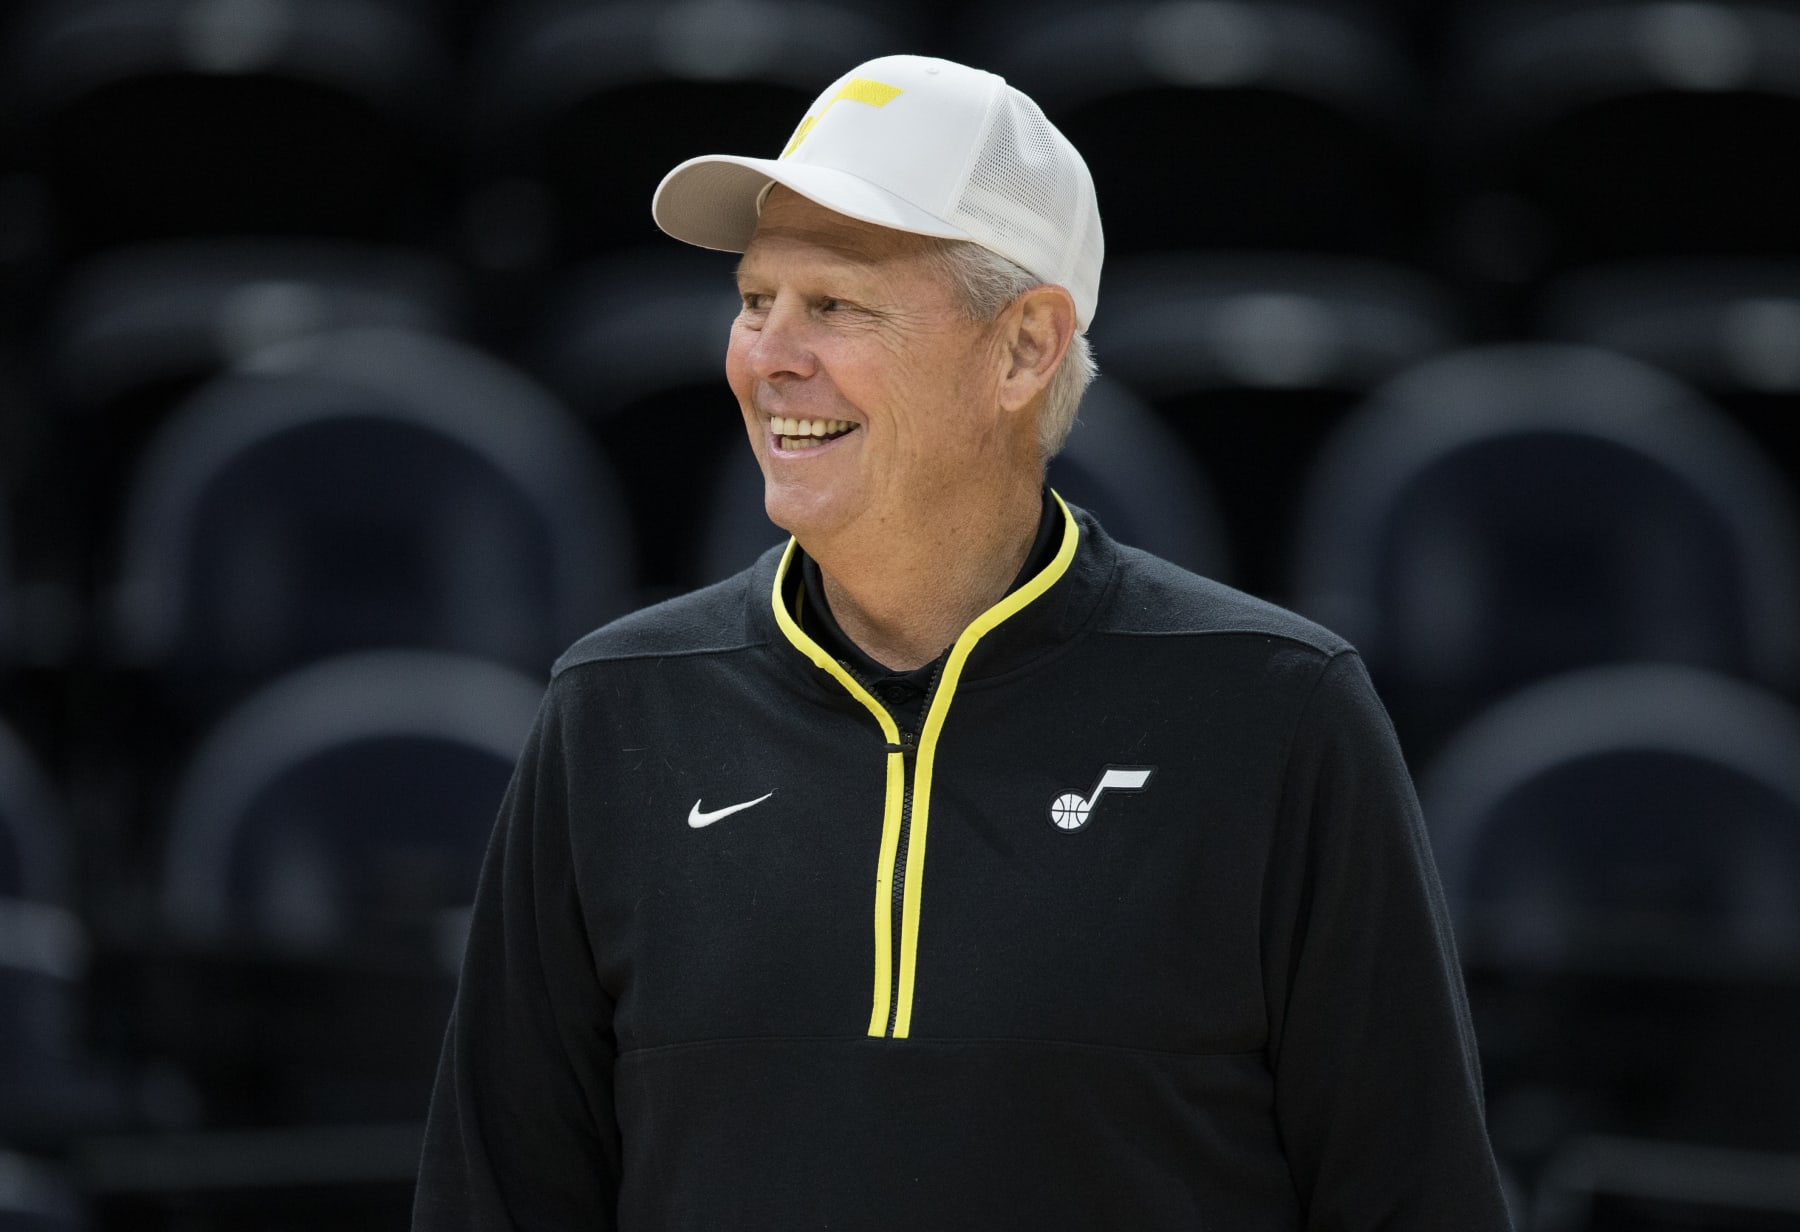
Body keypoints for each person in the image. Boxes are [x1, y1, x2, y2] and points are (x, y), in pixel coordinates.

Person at [413, 53, 1514, 1230]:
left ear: (1027, 347)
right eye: (752, 299)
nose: (767, 354)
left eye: (834, 303)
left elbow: (1416, 1198)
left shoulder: (1281, 713)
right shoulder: (616, 709)